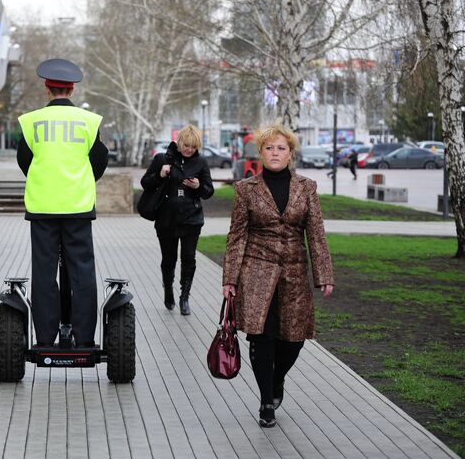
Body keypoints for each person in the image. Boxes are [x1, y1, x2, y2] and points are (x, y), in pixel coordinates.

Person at [221, 122, 334, 428]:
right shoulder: (246, 189)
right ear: (261, 152)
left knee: (294, 339)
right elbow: (237, 236)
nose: (274, 153)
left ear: (290, 153)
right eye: (269, 147)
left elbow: (317, 233)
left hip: (295, 273)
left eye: (281, 148)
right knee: (261, 334)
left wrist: (324, 274)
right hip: (257, 271)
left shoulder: (306, 187)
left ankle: (276, 380)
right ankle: (265, 401)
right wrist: (229, 279)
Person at [17, 58, 108, 348]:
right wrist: (80, 180)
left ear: (47, 89)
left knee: (44, 273)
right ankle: (83, 339)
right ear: (71, 89)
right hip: (78, 207)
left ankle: (44, 338)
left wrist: (44, 179)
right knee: (82, 272)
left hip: (42, 207)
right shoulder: (89, 121)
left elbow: (24, 160)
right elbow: (100, 160)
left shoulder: (31, 121)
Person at [141, 126, 214, 315]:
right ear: (179, 143)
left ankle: (185, 297)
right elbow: (145, 183)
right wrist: (160, 175)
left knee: (188, 258)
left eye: (193, 146)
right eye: (186, 145)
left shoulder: (200, 162)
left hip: (192, 219)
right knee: (169, 259)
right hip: (166, 219)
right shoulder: (162, 159)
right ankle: (168, 289)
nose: (189, 149)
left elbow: (208, 191)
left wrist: (198, 186)